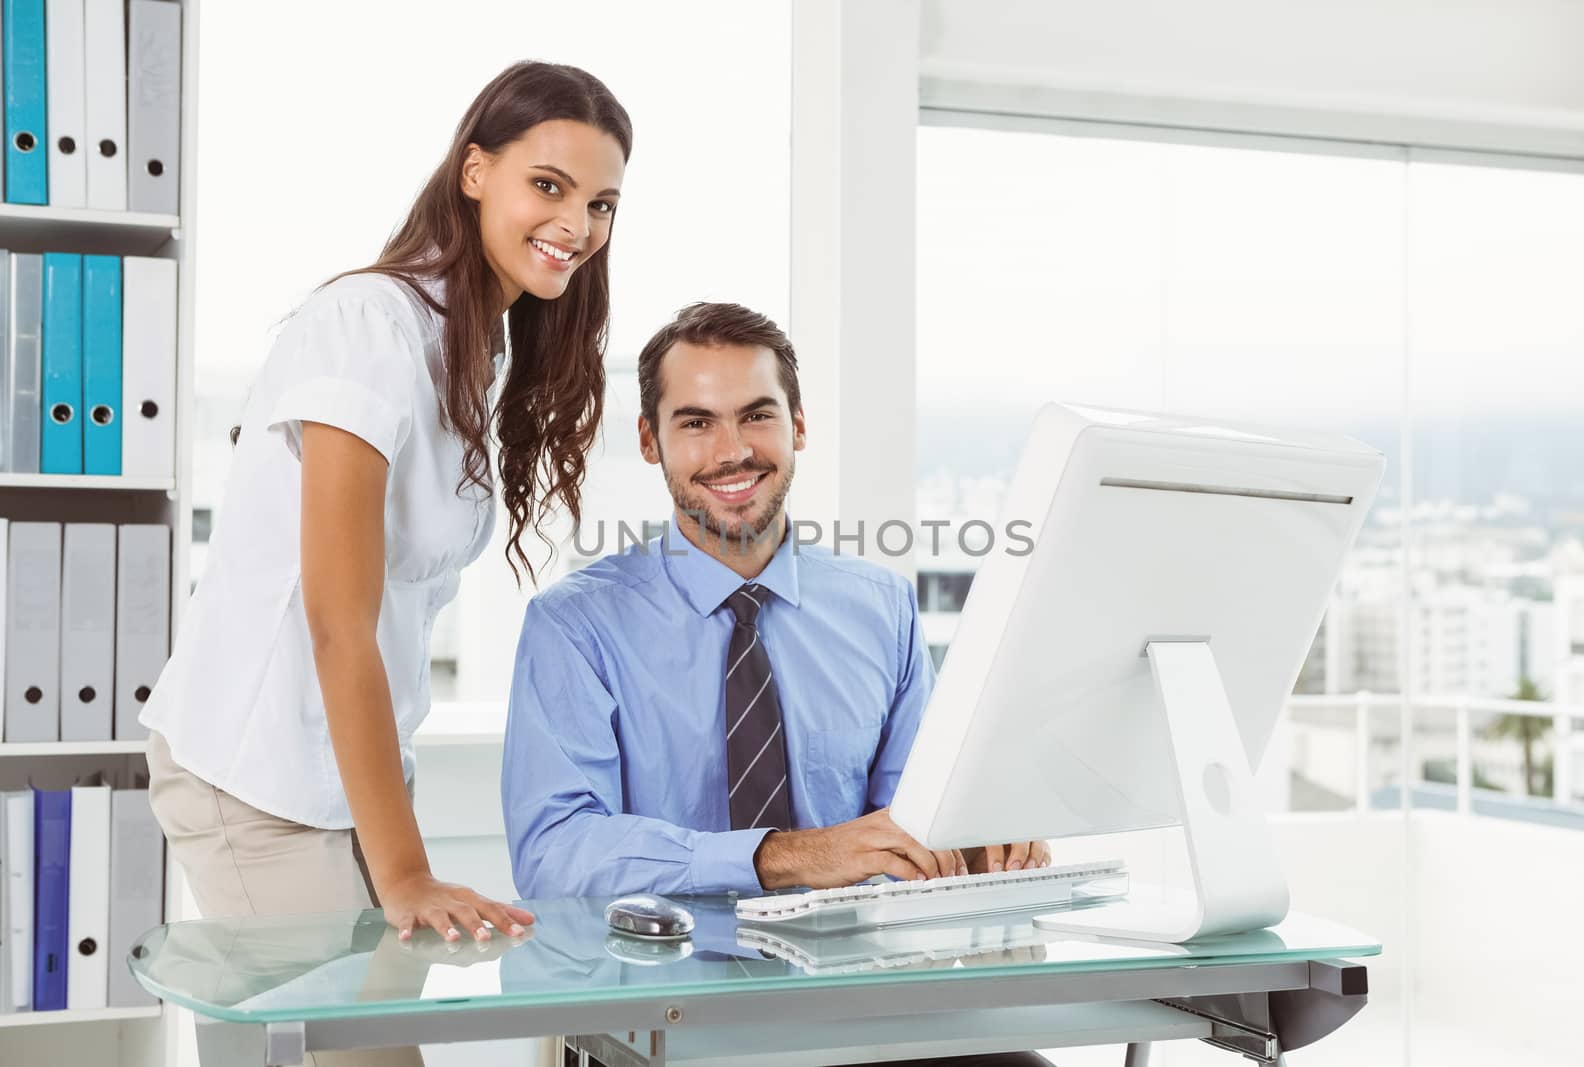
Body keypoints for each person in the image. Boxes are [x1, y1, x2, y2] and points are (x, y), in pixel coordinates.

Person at [142, 61, 630, 1013]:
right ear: (475, 171)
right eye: (549, 186)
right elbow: (338, 617)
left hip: (344, 792)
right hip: (259, 781)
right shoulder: (367, 325)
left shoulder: (478, 350)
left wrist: (392, 845)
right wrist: (405, 871)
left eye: (602, 204)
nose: (577, 226)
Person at [501, 302, 1051, 899]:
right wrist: (778, 858)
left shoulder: (882, 610)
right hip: (659, 983)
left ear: (799, 425)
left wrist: (974, 840)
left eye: (757, 415)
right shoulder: (577, 626)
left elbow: (913, 823)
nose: (732, 450)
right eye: (695, 423)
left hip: (846, 981)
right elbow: (553, 855)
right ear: (649, 440)